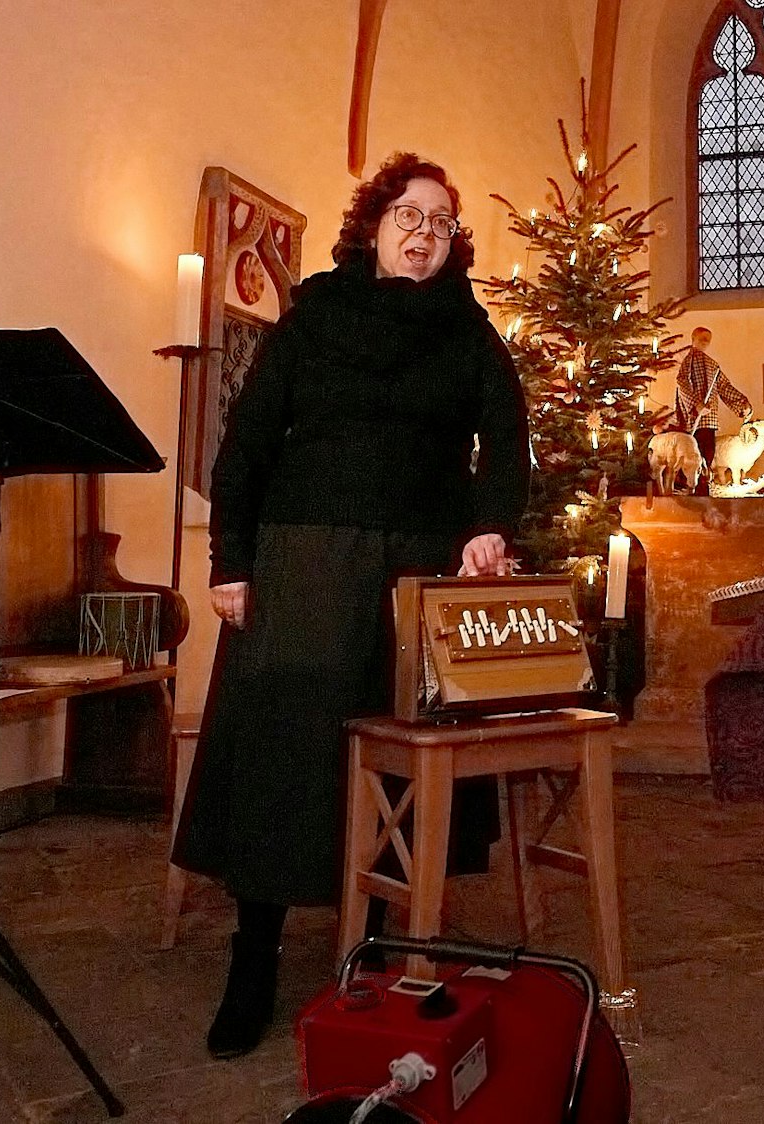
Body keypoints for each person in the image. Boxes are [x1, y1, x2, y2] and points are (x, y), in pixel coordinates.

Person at [174, 152, 529, 1060]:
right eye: (409, 216)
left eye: (442, 224)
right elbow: (245, 445)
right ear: (373, 226)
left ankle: (369, 952)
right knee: (283, 757)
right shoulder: (314, 317)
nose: (423, 233)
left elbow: (509, 445)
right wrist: (231, 560)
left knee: (397, 767)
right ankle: (250, 959)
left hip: (416, 568)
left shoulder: (467, 331)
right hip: (304, 560)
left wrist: (490, 526)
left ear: (454, 244)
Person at [672, 326, 752, 470]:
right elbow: (682, 382)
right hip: (693, 419)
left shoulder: (712, 364)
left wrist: (742, 404)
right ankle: (693, 485)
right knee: (693, 455)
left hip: (709, 419)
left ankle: (704, 482)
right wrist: (696, 404)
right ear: (693, 339)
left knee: (708, 453)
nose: (705, 342)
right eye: (702, 339)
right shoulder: (689, 360)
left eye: (708, 340)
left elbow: (724, 387)